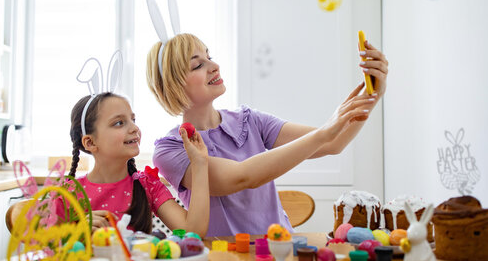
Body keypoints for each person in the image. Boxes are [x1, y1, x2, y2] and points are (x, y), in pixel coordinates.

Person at [146, 33, 388, 236]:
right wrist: (324, 132)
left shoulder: (248, 120)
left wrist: (373, 92)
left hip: (279, 251)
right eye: (198, 64)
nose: (214, 66)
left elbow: (333, 143)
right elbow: (242, 177)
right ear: (173, 85)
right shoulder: (171, 149)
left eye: (210, 57)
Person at [67, 92, 210, 237]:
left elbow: (193, 232)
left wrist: (199, 163)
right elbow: (48, 248)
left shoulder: (147, 185)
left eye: (133, 119)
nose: (134, 128)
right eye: (119, 123)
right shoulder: (68, 195)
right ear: (90, 142)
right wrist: (77, 233)